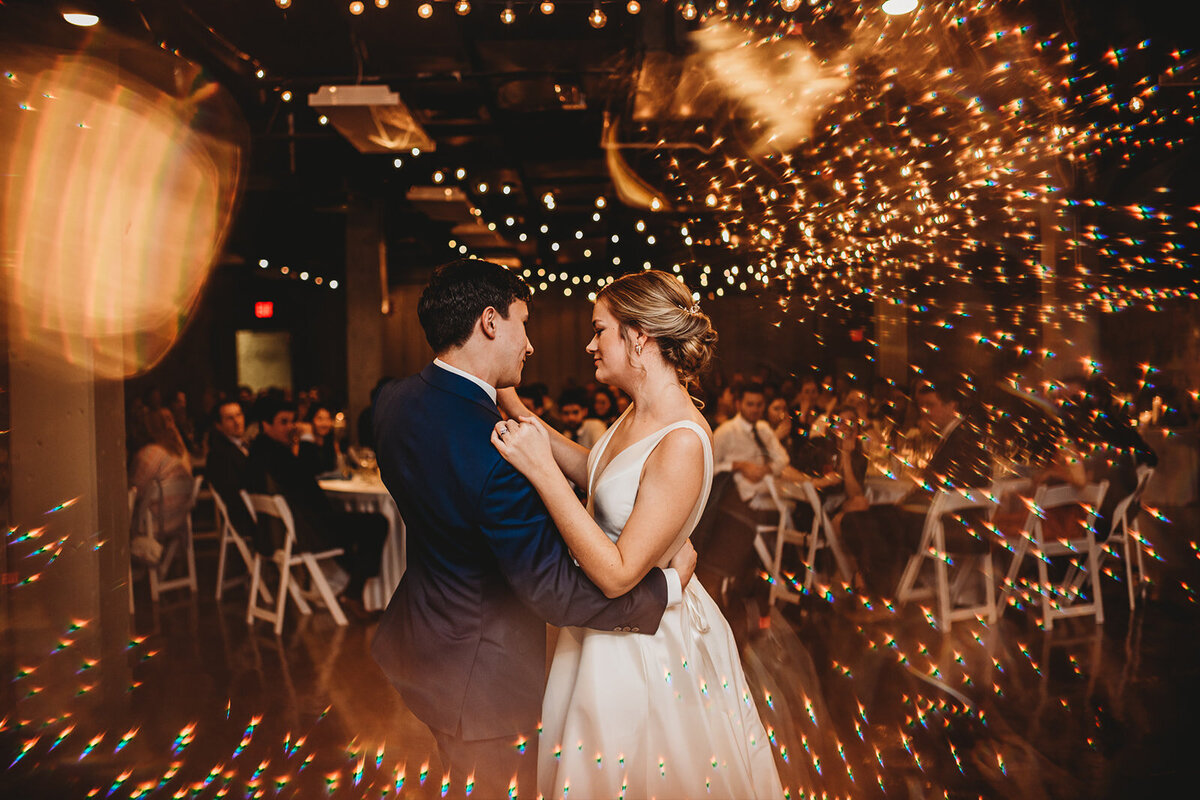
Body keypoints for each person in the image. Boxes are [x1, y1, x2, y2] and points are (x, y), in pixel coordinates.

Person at [370, 259, 697, 800]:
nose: (531, 344)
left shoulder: (395, 403)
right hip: (482, 679)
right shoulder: (499, 453)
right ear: (491, 322)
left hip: (422, 640)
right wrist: (666, 587)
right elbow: (554, 591)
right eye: (524, 323)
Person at [493, 269, 783, 799]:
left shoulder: (682, 442)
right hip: (608, 630)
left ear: (640, 337)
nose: (589, 344)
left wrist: (540, 472)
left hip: (647, 643)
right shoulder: (638, 412)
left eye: (599, 330)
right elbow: (600, 473)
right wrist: (520, 412)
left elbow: (618, 573)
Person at [247, 397, 386, 620]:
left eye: (292, 421)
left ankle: (352, 586)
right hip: (306, 532)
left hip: (285, 531)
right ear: (266, 424)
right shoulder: (276, 454)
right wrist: (307, 440)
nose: (290, 427)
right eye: (283, 422)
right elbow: (308, 479)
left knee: (359, 524)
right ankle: (355, 592)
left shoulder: (258, 452)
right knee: (377, 523)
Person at [129, 407, 194, 563]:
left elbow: (134, 489)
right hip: (179, 518)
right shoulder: (175, 450)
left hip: (156, 522)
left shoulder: (149, 453)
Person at [205, 400, 266, 552]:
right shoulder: (220, 455)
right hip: (250, 519)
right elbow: (236, 493)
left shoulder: (242, 446)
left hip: (257, 512)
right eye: (229, 418)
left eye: (239, 415)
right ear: (219, 425)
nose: (237, 422)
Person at [297, 403, 341, 477]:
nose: (325, 424)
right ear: (311, 420)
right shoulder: (304, 442)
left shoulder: (330, 441)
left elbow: (335, 469)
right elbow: (308, 470)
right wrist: (308, 436)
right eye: (320, 419)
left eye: (328, 419)